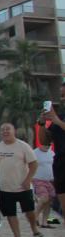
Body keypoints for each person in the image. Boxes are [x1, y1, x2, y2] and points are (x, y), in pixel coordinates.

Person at [0, 123, 41, 237]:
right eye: (3, 130)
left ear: (14, 131)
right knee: (10, 213)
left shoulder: (23, 146)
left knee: (29, 211)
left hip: (23, 186)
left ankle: (34, 229)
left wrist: (28, 179)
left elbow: (34, 164)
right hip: (5, 187)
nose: (5, 132)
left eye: (8, 129)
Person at [40, 82, 65, 228]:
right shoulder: (60, 117)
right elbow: (45, 141)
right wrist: (42, 124)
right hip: (60, 162)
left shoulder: (58, 118)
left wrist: (56, 120)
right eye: (62, 95)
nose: (63, 98)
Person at [32, 135, 56, 228]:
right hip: (38, 179)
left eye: (49, 144)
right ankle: (34, 217)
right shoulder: (34, 153)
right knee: (44, 198)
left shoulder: (51, 153)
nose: (47, 146)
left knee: (49, 201)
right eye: (45, 144)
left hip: (50, 180)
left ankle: (45, 222)